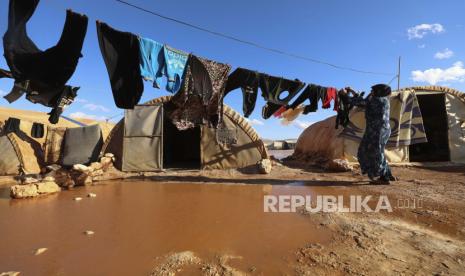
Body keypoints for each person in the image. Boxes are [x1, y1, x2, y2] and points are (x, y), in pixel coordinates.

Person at [346, 84, 397, 184]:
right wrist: (352, 91)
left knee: (371, 153)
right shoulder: (382, 100)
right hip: (380, 130)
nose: (371, 92)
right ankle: (386, 174)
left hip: (377, 131)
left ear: (379, 92)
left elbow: (359, 102)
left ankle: (383, 178)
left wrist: (343, 95)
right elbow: (364, 101)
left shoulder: (377, 100)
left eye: (373, 91)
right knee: (379, 152)